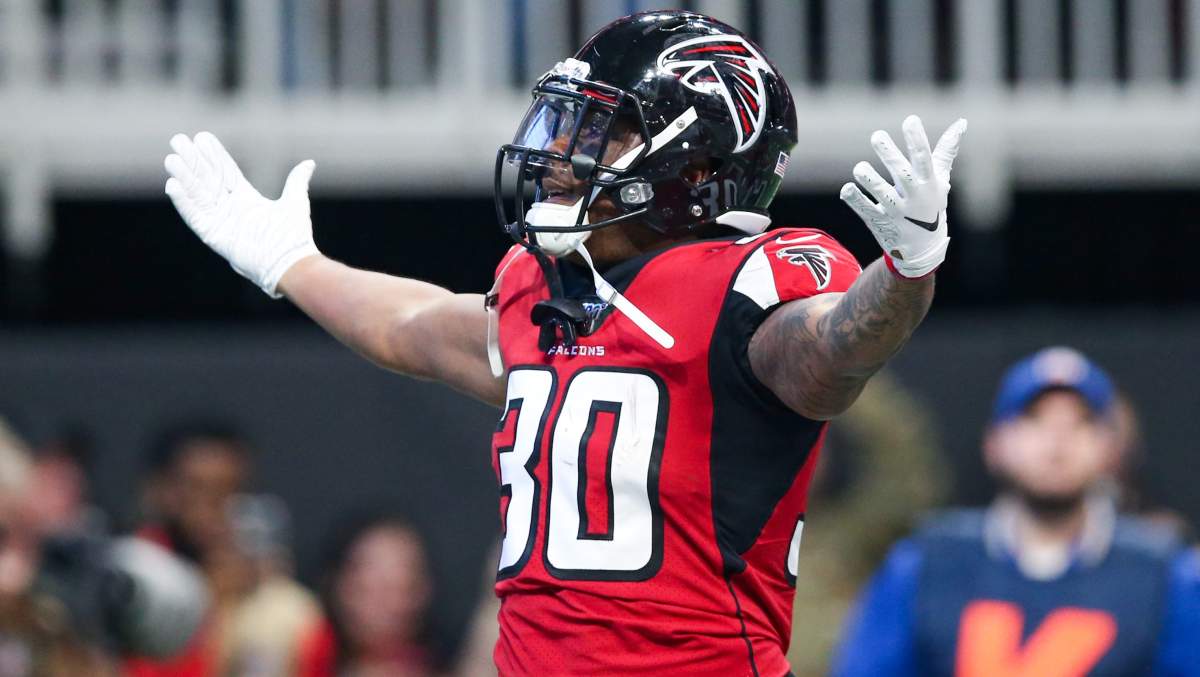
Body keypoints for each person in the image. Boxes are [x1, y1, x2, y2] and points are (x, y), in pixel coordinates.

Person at [162, 10, 967, 674]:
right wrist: (292, 262)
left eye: (597, 132)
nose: (557, 153)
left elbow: (831, 352)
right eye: (566, 123)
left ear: (694, 168)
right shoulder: (544, 286)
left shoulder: (747, 285)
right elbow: (412, 326)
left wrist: (905, 274)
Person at [833, 347, 1200, 676]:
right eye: (1034, 418)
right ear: (994, 443)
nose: (1057, 440)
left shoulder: (1163, 573)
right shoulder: (927, 562)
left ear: (1112, 448)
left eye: (1081, 421)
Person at [297, 512, 437, 677]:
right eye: (381, 588)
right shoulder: (301, 648)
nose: (396, 603)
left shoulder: (433, 665)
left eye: (407, 586)